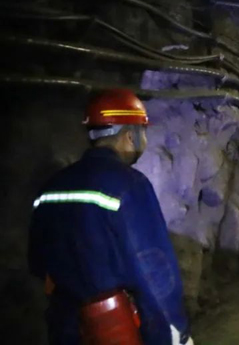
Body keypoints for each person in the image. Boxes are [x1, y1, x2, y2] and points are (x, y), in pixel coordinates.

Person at [28, 89, 193, 345]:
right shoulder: (130, 185)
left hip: (65, 328)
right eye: (143, 132)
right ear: (130, 136)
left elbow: (38, 263)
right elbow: (153, 267)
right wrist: (174, 330)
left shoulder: (49, 189)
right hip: (117, 329)